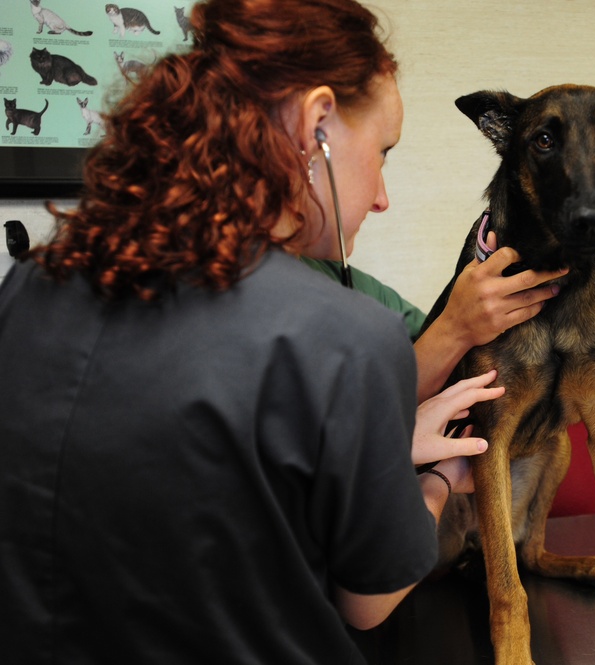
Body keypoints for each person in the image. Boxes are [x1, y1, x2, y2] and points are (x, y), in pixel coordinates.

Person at [0, 0, 564, 663]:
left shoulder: (31, 288)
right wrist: (437, 477)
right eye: (381, 153)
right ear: (315, 123)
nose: (382, 194)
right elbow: (368, 598)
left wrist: (383, 442)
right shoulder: (349, 336)